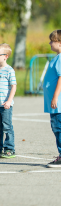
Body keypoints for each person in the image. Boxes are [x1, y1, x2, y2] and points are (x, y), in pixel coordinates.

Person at [43, 30, 61, 167]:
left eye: (52, 41)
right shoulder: (56, 58)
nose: (50, 43)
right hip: (55, 104)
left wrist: (55, 97)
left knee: (58, 128)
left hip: (58, 104)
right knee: (57, 128)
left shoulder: (60, 58)